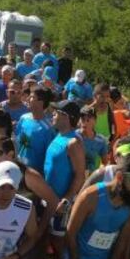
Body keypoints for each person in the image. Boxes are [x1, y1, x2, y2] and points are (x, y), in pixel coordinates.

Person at [43, 101, 87, 245]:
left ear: (67, 117)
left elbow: (80, 175)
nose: (53, 114)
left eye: (57, 112)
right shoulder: (59, 135)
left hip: (61, 204)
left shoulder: (74, 142)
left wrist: (66, 200)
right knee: (47, 238)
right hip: (48, 199)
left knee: (59, 243)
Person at [14, 87, 54, 172]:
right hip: (18, 168)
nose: (28, 99)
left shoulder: (48, 128)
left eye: (32, 97)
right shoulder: (23, 118)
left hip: (35, 174)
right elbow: (16, 141)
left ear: (40, 102)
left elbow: (49, 157)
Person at [77, 106, 109, 174]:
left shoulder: (100, 140)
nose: (84, 123)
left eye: (88, 119)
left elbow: (105, 162)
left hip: (90, 176)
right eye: (82, 119)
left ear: (95, 121)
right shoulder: (73, 136)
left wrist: (101, 168)